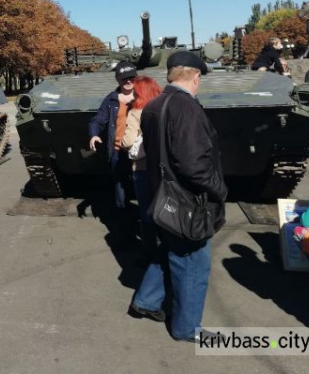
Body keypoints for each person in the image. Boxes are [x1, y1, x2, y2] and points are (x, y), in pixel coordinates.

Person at [130, 51, 227, 344]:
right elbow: (193, 165)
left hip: (162, 196)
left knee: (168, 251)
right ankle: (187, 328)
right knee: (194, 263)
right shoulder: (186, 108)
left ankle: (146, 301)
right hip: (188, 201)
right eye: (200, 80)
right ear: (195, 77)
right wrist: (219, 190)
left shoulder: (154, 105)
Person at [88, 60, 138, 247]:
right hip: (118, 153)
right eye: (124, 78)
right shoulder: (111, 100)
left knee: (145, 193)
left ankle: (150, 233)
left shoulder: (143, 96)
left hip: (141, 155)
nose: (128, 81)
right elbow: (97, 120)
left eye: (131, 77)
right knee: (121, 194)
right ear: (117, 79)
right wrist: (93, 135)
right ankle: (126, 234)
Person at [120, 76, 162, 250]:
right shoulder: (165, 107)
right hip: (166, 167)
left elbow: (128, 142)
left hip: (143, 168)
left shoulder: (136, 112)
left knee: (146, 209)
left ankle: (150, 250)